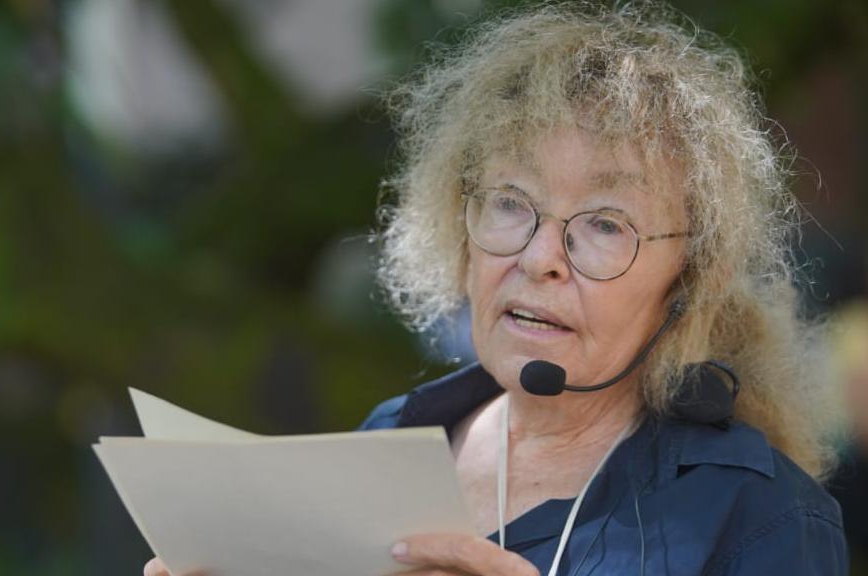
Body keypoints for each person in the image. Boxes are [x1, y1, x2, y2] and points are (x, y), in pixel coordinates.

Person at [145, 2, 847, 574]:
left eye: (604, 224)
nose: (542, 257)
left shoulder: (761, 517)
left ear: (688, 278)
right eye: (511, 203)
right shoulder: (392, 443)